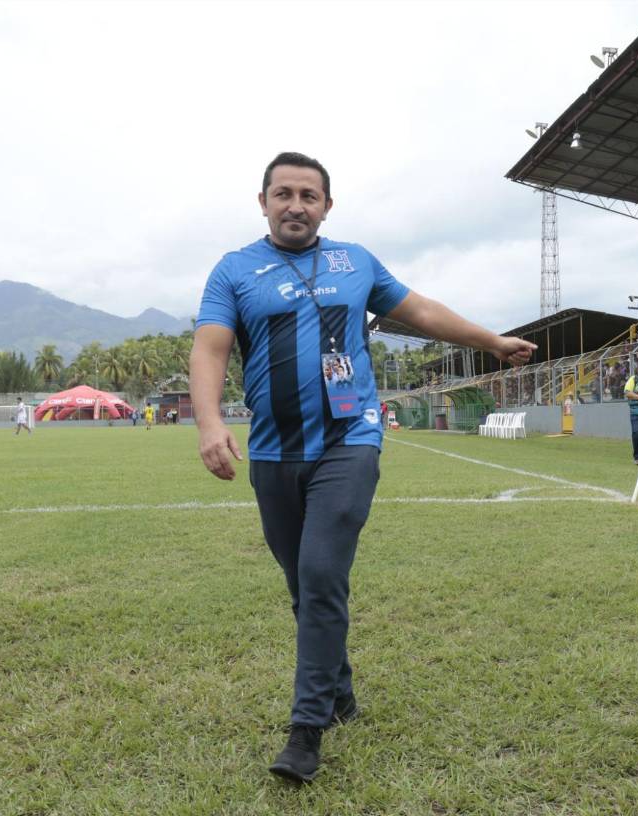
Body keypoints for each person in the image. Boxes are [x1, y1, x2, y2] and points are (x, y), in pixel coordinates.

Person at [189, 151, 535, 784]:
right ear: (262, 201)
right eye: (284, 193)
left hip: (350, 438)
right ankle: (340, 690)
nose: (296, 204)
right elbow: (210, 348)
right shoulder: (234, 271)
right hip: (272, 451)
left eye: (309, 195)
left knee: (321, 570)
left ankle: (306, 730)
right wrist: (211, 424)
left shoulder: (356, 262)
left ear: (327, 205)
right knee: (304, 584)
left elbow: (419, 310)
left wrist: (489, 340)